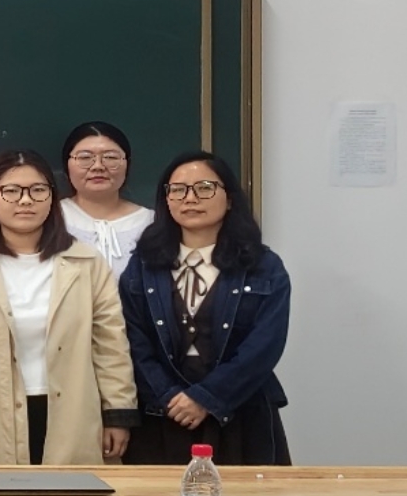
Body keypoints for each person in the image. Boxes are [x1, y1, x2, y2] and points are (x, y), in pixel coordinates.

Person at [0, 150, 138, 466]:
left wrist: (117, 413)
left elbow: (111, 346)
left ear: (52, 197)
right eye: (11, 191)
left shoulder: (86, 263)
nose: (25, 200)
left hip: (73, 412)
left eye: (38, 190)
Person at [120, 152, 292, 465]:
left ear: (230, 199)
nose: (190, 198)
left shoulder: (263, 266)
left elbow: (264, 345)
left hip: (240, 412)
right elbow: (133, 340)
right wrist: (169, 397)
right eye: (178, 190)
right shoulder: (144, 265)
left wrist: (206, 398)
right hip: (162, 414)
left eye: (204, 188)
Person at [60, 121, 154, 278]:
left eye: (110, 157)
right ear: (67, 165)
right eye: (85, 157)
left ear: (127, 164)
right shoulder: (51, 219)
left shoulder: (150, 222)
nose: (98, 166)